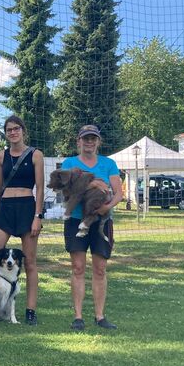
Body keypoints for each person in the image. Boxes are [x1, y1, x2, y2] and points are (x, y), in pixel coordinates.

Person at [0, 115, 45, 324]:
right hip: (6, 210)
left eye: (16, 129)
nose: (13, 132)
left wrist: (38, 216)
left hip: (27, 208)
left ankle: (30, 310)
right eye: (9, 130)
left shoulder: (36, 155)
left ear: (22, 130)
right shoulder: (1, 156)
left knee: (31, 262)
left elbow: (41, 187)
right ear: (5, 133)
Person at [61, 124, 123, 331]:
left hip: (102, 221)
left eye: (93, 139)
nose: (89, 142)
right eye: (85, 138)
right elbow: (68, 191)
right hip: (76, 220)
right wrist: (94, 185)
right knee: (78, 268)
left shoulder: (109, 164)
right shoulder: (70, 163)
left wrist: (106, 207)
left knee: (100, 268)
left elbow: (118, 193)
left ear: (98, 142)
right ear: (78, 141)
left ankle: (100, 316)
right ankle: (78, 316)